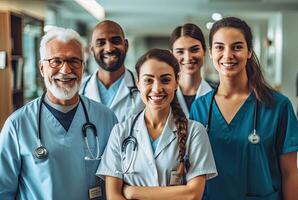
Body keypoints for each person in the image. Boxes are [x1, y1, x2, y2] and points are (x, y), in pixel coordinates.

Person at [0, 27, 118, 200]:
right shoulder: (17, 125)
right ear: (42, 68)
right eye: (56, 61)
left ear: (83, 67)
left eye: (74, 61)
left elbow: (119, 182)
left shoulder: (106, 118)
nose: (65, 70)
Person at [190, 17, 298, 200]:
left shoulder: (277, 106)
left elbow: (289, 174)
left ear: (249, 51)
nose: (227, 55)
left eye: (237, 47)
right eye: (219, 47)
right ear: (210, 53)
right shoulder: (200, 108)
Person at [97, 48, 217, 200]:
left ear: (176, 82)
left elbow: (193, 194)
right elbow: (113, 196)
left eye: (165, 80)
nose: (157, 88)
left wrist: (133, 192)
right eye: (148, 80)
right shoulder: (121, 132)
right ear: (138, 83)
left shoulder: (194, 132)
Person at [80, 20, 144, 122]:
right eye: (101, 43)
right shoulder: (79, 90)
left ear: (126, 46)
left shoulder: (144, 88)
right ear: (92, 49)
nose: (109, 48)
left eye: (115, 41)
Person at [169, 23, 212, 118]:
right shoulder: (163, 95)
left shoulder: (217, 95)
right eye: (180, 52)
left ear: (204, 50)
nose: (188, 58)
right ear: (171, 55)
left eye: (194, 50)